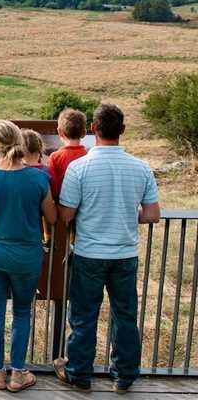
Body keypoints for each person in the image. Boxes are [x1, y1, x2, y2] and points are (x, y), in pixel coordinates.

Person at [54, 104, 161, 394]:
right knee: (125, 315)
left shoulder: (79, 168)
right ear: (122, 131)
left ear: (93, 131)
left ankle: (79, 373)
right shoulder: (141, 168)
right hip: (125, 254)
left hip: (89, 252)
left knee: (84, 315)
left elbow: (65, 215)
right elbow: (152, 215)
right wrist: (128, 214)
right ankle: (124, 377)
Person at [0, 120, 58, 392]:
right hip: (25, 254)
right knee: (22, 311)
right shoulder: (37, 178)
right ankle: (18, 374)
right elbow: (52, 216)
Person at [44, 109, 88, 246]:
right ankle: (75, 243)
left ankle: (48, 238)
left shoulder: (55, 157)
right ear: (84, 133)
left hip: (60, 205)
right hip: (83, 204)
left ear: (60, 132)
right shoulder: (88, 155)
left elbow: (53, 184)